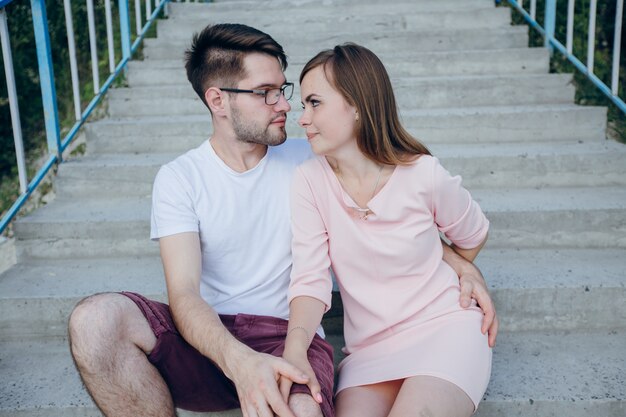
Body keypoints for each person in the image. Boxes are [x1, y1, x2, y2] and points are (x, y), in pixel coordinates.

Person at [67, 24, 497, 417]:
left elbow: (394, 204)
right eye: (266, 92)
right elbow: (183, 296)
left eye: (284, 89)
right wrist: (240, 362)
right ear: (218, 99)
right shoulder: (180, 178)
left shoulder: (314, 157)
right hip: (211, 342)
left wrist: (457, 261)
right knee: (94, 320)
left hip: (288, 334)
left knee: (302, 412)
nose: (287, 107)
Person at [284, 43, 494, 417]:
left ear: (358, 106)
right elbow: (310, 278)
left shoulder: (424, 174)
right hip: (369, 351)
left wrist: (461, 266)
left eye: (315, 103)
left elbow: (473, 235)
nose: (302, 118)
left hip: (444, 329)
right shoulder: (309, 181)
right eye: (303, 105)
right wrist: (296, 346)